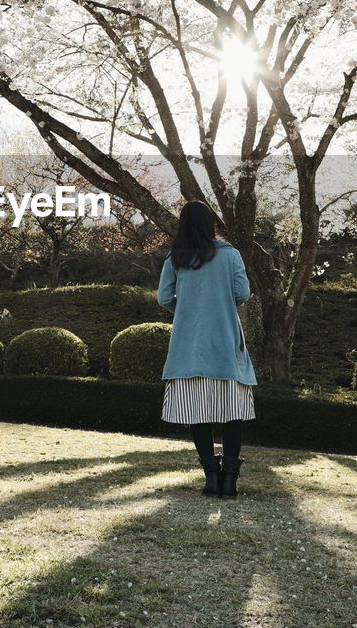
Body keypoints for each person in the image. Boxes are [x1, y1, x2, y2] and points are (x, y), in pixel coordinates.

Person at [157, 199, 257, 499]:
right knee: (232, 413)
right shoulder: (231, 255)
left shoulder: (176, 258)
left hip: (190, 346)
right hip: (226, 343)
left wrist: (187, 308)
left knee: (198, 414)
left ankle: (211, 479)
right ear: (211, 222)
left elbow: (164, 298)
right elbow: (243, 293)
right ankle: (230, 482)